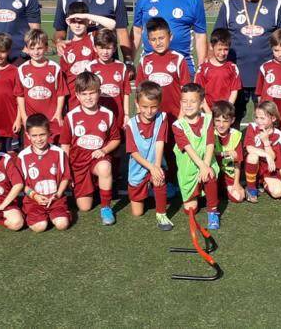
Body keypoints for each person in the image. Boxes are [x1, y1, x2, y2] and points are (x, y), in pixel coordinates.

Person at [214, 0, 281, 122]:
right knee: (230, 118)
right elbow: (217, 39)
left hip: (266, 75)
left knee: (266, 119)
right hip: (235, 75)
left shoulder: (275, 4)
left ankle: (265, 147)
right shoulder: (229, 5)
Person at [61, 72, 121, 225]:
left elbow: (116, 139)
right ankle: (93, 186)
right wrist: (66, 172)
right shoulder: (71, 116)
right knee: (85, 207)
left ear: (99, 93)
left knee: (105, 166)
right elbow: (65, 146)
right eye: (84, 94)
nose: (88, 97)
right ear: (77, 95)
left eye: (92, 93)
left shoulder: (107, 114)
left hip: (97, 160)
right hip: (78, 164)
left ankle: (106, 207)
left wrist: (104, 150)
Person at [133, 0, 208, 73]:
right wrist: (129, 62)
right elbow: (136, 32)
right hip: (150, 67)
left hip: (183, 68)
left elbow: (200, 36)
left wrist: (202, 67)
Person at [124, 81, 172, 230]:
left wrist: (156, 166)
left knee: (159, 177)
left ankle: (161, 214)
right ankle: (148, 189)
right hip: (139, 168)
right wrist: (151, 167)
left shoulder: (162, 118)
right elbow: (134, 153)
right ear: (137, 104)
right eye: (145, 107)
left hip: (155, 164)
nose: (149, 111)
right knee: (137, 213)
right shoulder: (131, 125)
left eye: (153, 107)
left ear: (159, 105)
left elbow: (159, 142)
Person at [172, 83, 220, 229]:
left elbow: (210, 143)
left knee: (210, 175)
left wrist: (206, 166)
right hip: (189, 170)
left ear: (201, 103)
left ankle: (213, 212)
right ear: (180, 103)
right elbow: (188, 148)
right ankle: (196, 194)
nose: (188, 105)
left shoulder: (208, 119)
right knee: (190, 209)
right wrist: (201, 166)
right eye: (185, 101)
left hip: (205, 163)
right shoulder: (177, 125)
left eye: (193, 101)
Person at [18, 114, 72, 233]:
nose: (38, 139)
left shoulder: (58, 153)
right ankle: (36, 216)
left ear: (49, 133)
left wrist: (58, 194)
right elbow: (21, 184)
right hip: (34, 202)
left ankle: (63, 213)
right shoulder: (23, 156)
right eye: (34, 136)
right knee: (40, 227)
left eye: (42, 134)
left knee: (62, 225)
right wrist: (34, 196)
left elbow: (65, 177)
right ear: (27, 135)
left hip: (56, 200)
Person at [59, 1, 116, 110]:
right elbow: (63, 81)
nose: (77, 25)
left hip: (95, 98)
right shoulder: (65, 47)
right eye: (74, 21)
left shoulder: (93, 37)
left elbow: (112, 25)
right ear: (68, 22)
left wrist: (86, 16)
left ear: (88, 21)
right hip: (74, 100)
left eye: (81, 21)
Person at [16, 29, 68, 143]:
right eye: (32, 48)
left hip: (51, 119)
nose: (36, 52)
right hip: (31, 121)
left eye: (39, 48)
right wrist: (23, 117)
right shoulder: (22, 69)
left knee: (52, 151)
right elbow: (20, 95)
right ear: (27, 49)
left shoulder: (55, 68)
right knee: (32, 151)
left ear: (46, 47)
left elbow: (61, 93)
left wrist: (58, 113)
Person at [137, 17, 191, 121]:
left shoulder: (178, 59)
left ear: (170, 36)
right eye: (153, 39)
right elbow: (139, 93)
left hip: (175, 116)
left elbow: (186, 92)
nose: (158, 43)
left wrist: (182, 114)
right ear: (148, 40)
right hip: (151, 117)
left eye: (161, 38)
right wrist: (140, 114)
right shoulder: (145, 60)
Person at [86, 28, 131, 128]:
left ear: (114, 48)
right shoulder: (90, 67)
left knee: (119, 141)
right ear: (95, 48)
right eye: (101, 48)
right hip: (97, 116)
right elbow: (87, 94)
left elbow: (126, 93)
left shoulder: (121, 67)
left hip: (118, 116)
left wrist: (127, 115)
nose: (105, 52)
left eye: (108, 48)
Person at [243, 101, 281, 202]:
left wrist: (266, 141)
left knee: (278, 193)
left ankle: (262, 183)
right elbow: (249, 148)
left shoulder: (278, 134)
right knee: (253, 156)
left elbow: (275, 158)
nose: (258, 121)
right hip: (253, 166)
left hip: (268, 170)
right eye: (257, 117)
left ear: (273, 118)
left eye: (262, 118)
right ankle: (251, 189)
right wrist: (266, 155)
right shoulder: (252, 127)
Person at [194, 28, 242, 113]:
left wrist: (228, 108)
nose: (223, 53)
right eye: (219, 49)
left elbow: (234, 91)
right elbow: (199, 92)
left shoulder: (232, 67)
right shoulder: (203, 68)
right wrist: (207, 111)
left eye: (226, 49)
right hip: (207, 111)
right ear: (212, 47)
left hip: (225, 113)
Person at [211, 101, 245, 204]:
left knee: (238, 197)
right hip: (213, 175)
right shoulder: (210, 133)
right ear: (213, 120)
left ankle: (233, 187)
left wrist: (236, 183)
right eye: (217, 120)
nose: (221, 125)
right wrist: (225, 153)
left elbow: (237, 163)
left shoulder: (236, 135)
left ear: (232, 120)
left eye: (225, 121)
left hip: (229, 175)